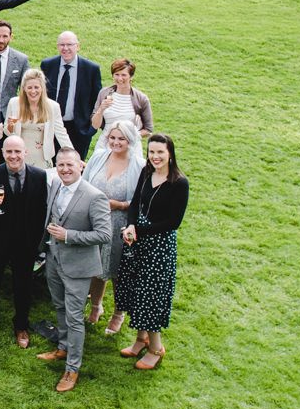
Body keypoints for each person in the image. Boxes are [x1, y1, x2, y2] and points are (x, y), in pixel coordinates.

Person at [37, 147, 110, 393]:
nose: (65, 169)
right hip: (54, 260)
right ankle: (63, 347)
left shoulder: (94, 196)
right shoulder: (56, 185)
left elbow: (104, 234)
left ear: (81, 165)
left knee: (75, 317)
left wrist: (68, 235)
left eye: (70, 165)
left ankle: (72, 369)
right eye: (61, 165)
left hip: (79, 266)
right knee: (59, 306)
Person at [119, 133, 189, 371]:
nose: (155, 156)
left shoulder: (179, 183)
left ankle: (155, 348)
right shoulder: (146, 172)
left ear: (170, 153)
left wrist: (138, 229)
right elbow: (136, 201)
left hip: (159, 247)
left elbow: (173, 223)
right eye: (152, 152)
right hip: (138, 239)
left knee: (152, 296)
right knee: (137, 291)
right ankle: (140, 339)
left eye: (160, 152)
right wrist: (130, 225)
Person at [0, 135, 50, 347]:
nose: (13, 156)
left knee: (23, 284)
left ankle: (21, 326)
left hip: (25, 242)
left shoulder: (39, 175)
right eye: (9, 152)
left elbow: (41, 211)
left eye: (17, 151)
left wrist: (37, 242)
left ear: (25, 152)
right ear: (2, 154)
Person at [81, 118, 142, 333]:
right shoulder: (99, 157)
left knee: (117, 271)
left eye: (121, 139)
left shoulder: (138, 166)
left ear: (130, 141)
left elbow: (139, 202)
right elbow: (84, 184)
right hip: (95, 222)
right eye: (112, 138)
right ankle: (96, 306)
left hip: (120, 225)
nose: (115, 143)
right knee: (96, 266)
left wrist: (118, 205)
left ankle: (119, 312)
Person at [42, 31, 103, 159]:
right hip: (51, 126)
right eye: (62, 45)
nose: (65, 48)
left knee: (75, 166)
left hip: (79, 129)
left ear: (78, 46)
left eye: (70, 44)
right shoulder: (48, 65)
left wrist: (90, 129)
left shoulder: (91, 69)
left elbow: (96, 100)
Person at [5, 67, 72, 169]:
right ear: (24, 88)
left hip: (41, 157)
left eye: (36, 87)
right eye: (29, 88)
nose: (33, 91)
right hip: (19, 156)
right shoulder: (14, 103)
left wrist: (72, 155)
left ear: (42, 88)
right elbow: (8, 132)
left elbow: (61, 133)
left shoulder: (53, 107)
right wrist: (10, 125)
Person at [90, 58, 155, 142]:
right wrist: (101, 109)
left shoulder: (141, 98)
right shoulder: (104, 93)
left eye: (124, 75)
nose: (120, 79)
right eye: (117, 74)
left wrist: (128, 136)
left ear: (131, 76)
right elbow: (95, 125)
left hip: (129, 145)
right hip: (105, 143)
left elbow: (148, 130)